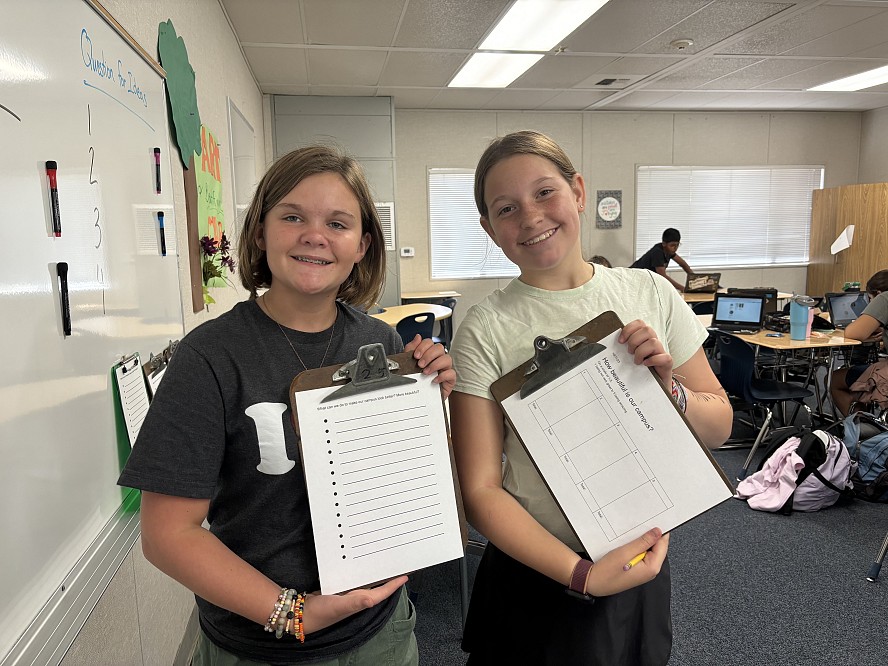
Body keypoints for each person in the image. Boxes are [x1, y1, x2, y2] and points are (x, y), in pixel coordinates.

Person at [118, 145, 455, 665]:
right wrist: (292, 613)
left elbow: (398, 484)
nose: (314, 235)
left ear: (362, 244)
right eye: (292, 216)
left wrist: (432, 404)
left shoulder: (383, 345)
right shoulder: (210, 357)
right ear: (260, 232)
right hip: (261, 644)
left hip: (382, 630)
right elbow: (168, 535)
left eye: (338, 223)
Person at [449, 130, 732, 665]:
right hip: (537, 566)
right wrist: (581, 574)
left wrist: (668, 387)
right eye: (506, 208)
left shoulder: (648, 293)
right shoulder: (485, 328)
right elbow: (480, 489)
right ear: (489, 228)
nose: (530, 216)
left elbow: (719, 426)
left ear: (578, 191)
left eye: (544, 192)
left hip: (634, 558)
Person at [829, 270, 888, 416]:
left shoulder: (885, 298)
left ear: (878, 293)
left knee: (833, 380)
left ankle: (863, 430)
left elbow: (853, 333)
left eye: (869, 299)